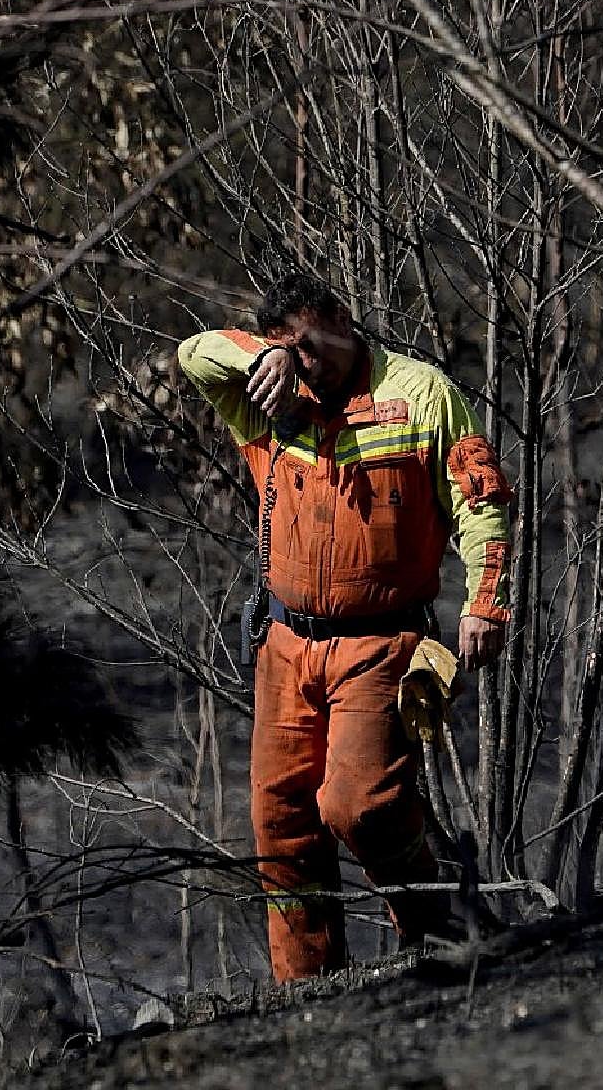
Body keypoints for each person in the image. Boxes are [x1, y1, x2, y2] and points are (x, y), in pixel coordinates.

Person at [177, 272, 512, 982]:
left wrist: (486, 602)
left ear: (342, 320)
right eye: (284, 351)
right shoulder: (265, 396)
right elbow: (194, 353)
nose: (300, 365)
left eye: (306, 345)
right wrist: (263, 358)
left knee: (359, 805)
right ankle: (307, 991)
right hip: (284, 647)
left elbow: (480, 503)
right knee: (281, 825)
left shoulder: (421, 394)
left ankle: (437, 924)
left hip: (382, 643)